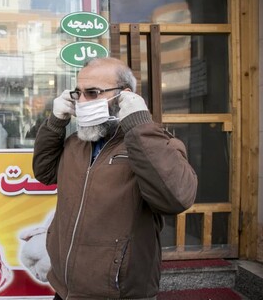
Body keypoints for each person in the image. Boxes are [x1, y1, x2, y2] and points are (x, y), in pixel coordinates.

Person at [32, 57, 198, 300]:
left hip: (119, 292)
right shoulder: (76, 143)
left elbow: (176, 199)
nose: (83, 101)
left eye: (93, 93)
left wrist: (139, 126)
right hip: (65, 287)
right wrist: (56, 121)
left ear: (125, 96)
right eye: (78, 93)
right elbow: (44, 172)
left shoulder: (157, 143)